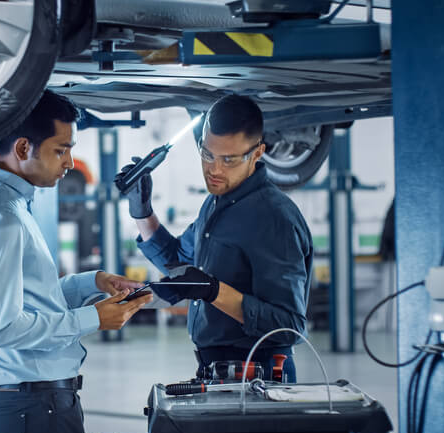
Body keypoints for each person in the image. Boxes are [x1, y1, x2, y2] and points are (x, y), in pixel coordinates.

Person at [0, 90, 151, 433]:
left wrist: (94, 281)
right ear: (24, 149)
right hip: (32, 406)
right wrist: (93, 319)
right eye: (61, 150)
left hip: (31, 403)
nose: (70, 163)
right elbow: (2, 327)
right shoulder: (2, 217)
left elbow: (25, 298)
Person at [115, 95, 312, 382]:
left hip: (259, 377)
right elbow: (180, 263)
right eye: (207, 154)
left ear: (258, 154)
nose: (215, 170)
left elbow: (289, 326)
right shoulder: (216, 203)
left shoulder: (274, 218)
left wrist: (213, 291)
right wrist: (142, 212)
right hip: (216, 372)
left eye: (229, 160)